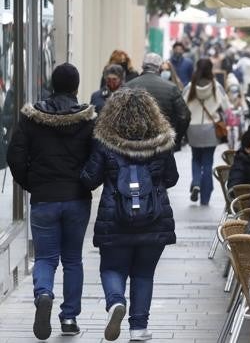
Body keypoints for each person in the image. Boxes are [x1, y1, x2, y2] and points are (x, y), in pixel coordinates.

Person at [80, 88, 179, 341]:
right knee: (143, 274)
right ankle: (138, 329)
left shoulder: (105, 143)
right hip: (154, 219)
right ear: (153, 114)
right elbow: (172, 178)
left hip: (115, 220)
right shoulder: (162, 142)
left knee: (111, 268)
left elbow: (89, 179)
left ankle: (115, 303)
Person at [7, 63, 96, 339]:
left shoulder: (31, 118)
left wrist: (32, 184)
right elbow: (99, 158)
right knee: (72, 260)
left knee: (45, 257)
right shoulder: (87, 119)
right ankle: (69, 319)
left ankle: (44, 293)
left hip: (44, 198)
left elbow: (15, 156)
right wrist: (87, 182)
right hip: (76, 198)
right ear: (76, 87)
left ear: (51, 85)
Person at [183, 58, 230, 205]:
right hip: (211, 128)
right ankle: (205, 198)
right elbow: (227, 106)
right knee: (208, 162)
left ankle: (196, 182)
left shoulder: (190, 87)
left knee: (195, 158)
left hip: (193, 128)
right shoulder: (216, 86)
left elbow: (182, 105)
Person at [125, 53, 190, 152]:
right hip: (162, 144)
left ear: (143, 66)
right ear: (160, 68)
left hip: (135, 144)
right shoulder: (171, 88)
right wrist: (176, 139)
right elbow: (184, 116)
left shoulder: (128, 86)